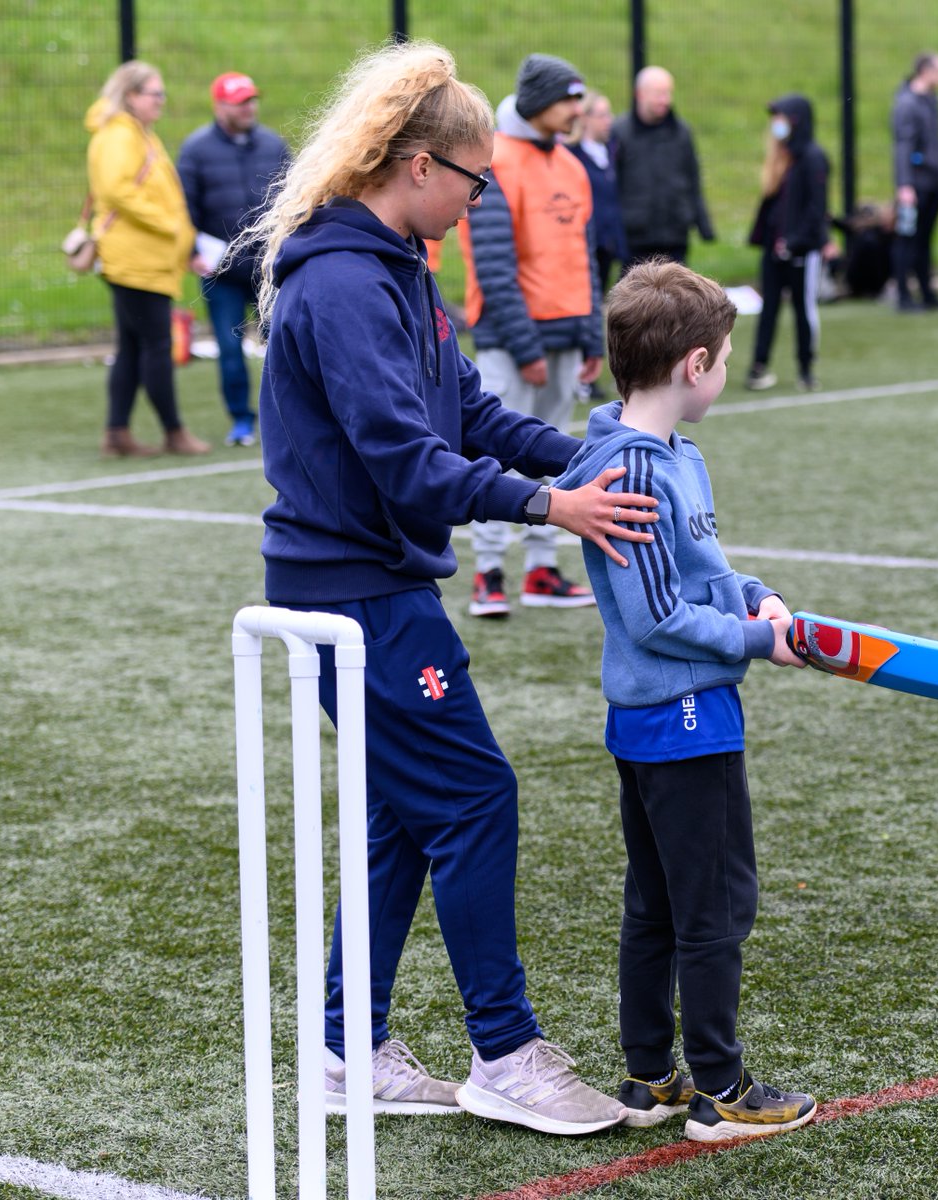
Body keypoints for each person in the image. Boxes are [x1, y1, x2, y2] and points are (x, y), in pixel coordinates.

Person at [236, 38, 660, 1134]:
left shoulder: (399, 269)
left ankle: (344, 1048)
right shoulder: (340, 281)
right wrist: (549, 511)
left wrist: (583, 456)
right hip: (356, 592)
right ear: (419, 165)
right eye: (476, 181)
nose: (481, 202)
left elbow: (464, 417)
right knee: (474, 798)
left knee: (400, 817)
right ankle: (505, 1052)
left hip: (378, 582)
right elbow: (404, 458)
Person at [554, 260, 817, 1143]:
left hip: (672, 715)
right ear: (694, 364)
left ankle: (647, 1080)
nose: (730, 368)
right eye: (729, 354)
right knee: (710, 907)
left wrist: (756, 596)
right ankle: (719, 1089)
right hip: (681, 717)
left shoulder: (673, 456)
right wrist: (754, 640)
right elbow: (660, 615)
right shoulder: (632, 471)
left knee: (660, 903)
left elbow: (701, 573)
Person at [458, 53, 603, 619]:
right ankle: (489, 573)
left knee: (557, 455)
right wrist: (526, 346)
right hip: (517, 341)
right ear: (541, 102)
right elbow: (493, 264)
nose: (578, 109)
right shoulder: (496, 161)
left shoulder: (571, 163)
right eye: (569, 98)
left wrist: (592, 337)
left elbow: (583, 258)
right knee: (497, 453)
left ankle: (543, 570)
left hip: (566, 337)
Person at [84, 61, 210, 457]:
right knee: (156, 345)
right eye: (154, 93)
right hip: (136, 259)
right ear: (131, 95)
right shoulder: (119, 135)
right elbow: (118, 190)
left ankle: (117, 433)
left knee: (134, 347)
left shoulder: (135, 133)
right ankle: (174, 432)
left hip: (143, 257)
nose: (161, 101)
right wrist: (170, 225)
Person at [177, 72, 291, 447]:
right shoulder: (195, 150)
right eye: (240, 101)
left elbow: (294, 198)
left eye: (251, 100)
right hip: (220, 271)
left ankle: (289, 415)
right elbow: (184, 208)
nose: (249, 107)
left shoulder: (273, 145)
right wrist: (192, 251)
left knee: (283, 342)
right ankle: (241, 420)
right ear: (219, 106)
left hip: (268, 266)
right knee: (229, 347)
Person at [745, 95, 832, 392]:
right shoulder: (781, 156)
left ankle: (806, 368)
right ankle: (758, 366)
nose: (777, 124)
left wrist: (795, 242)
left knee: (803, 308)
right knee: (768, 307)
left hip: (801, 251)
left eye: (782, 117)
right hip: (774, 249)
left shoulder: (812, 157)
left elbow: (815, 210)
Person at [611, 67, 715, 269]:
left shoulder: (681, 131)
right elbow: (613, 183)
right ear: (640, 94)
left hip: (674, 235)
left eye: (668, 93)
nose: (665, 100)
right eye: (658, 94)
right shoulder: (621, 132)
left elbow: (692, 178)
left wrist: (704, 226)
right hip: (636, 237)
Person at [891, 52, 938, 313]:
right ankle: (903, 296)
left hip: (933, 182)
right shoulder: (907, 104)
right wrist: (905, 185)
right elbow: (903, 146)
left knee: (924, 239)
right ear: (926, 71)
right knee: (907, 240)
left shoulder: (931, 100)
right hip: (915, 185)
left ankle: (927, 293)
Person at [567, 92, 627, 294]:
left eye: (609, 115)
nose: (608, 121)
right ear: (585, 118)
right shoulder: (572, 154)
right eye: (602, 115)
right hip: (585, 243)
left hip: (609, 241)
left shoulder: (613, 151)